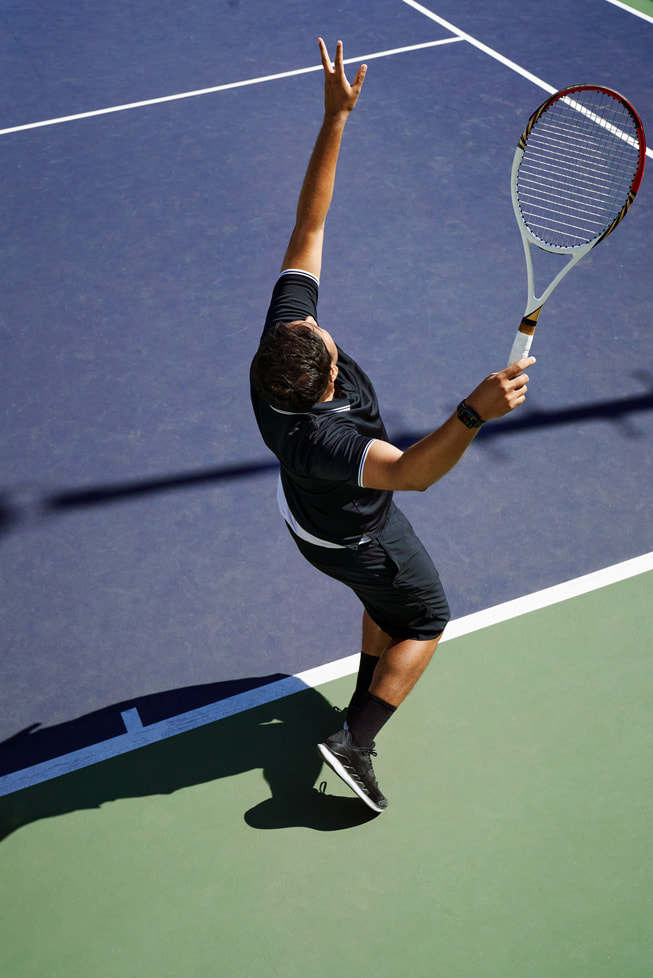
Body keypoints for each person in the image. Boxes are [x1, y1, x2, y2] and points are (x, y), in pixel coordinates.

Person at [250, 38, 535, 813]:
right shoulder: (327, 438)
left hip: (310, 522)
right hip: (353, 531)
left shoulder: (280, 347)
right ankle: (357, 740)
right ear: (328, 380)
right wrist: (475, 409)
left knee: (383, 601)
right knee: (427, 615)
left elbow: (309, 224)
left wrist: (333, 120)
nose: (315, 322)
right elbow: (411, 472)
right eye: (320, 336)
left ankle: (355, 703)